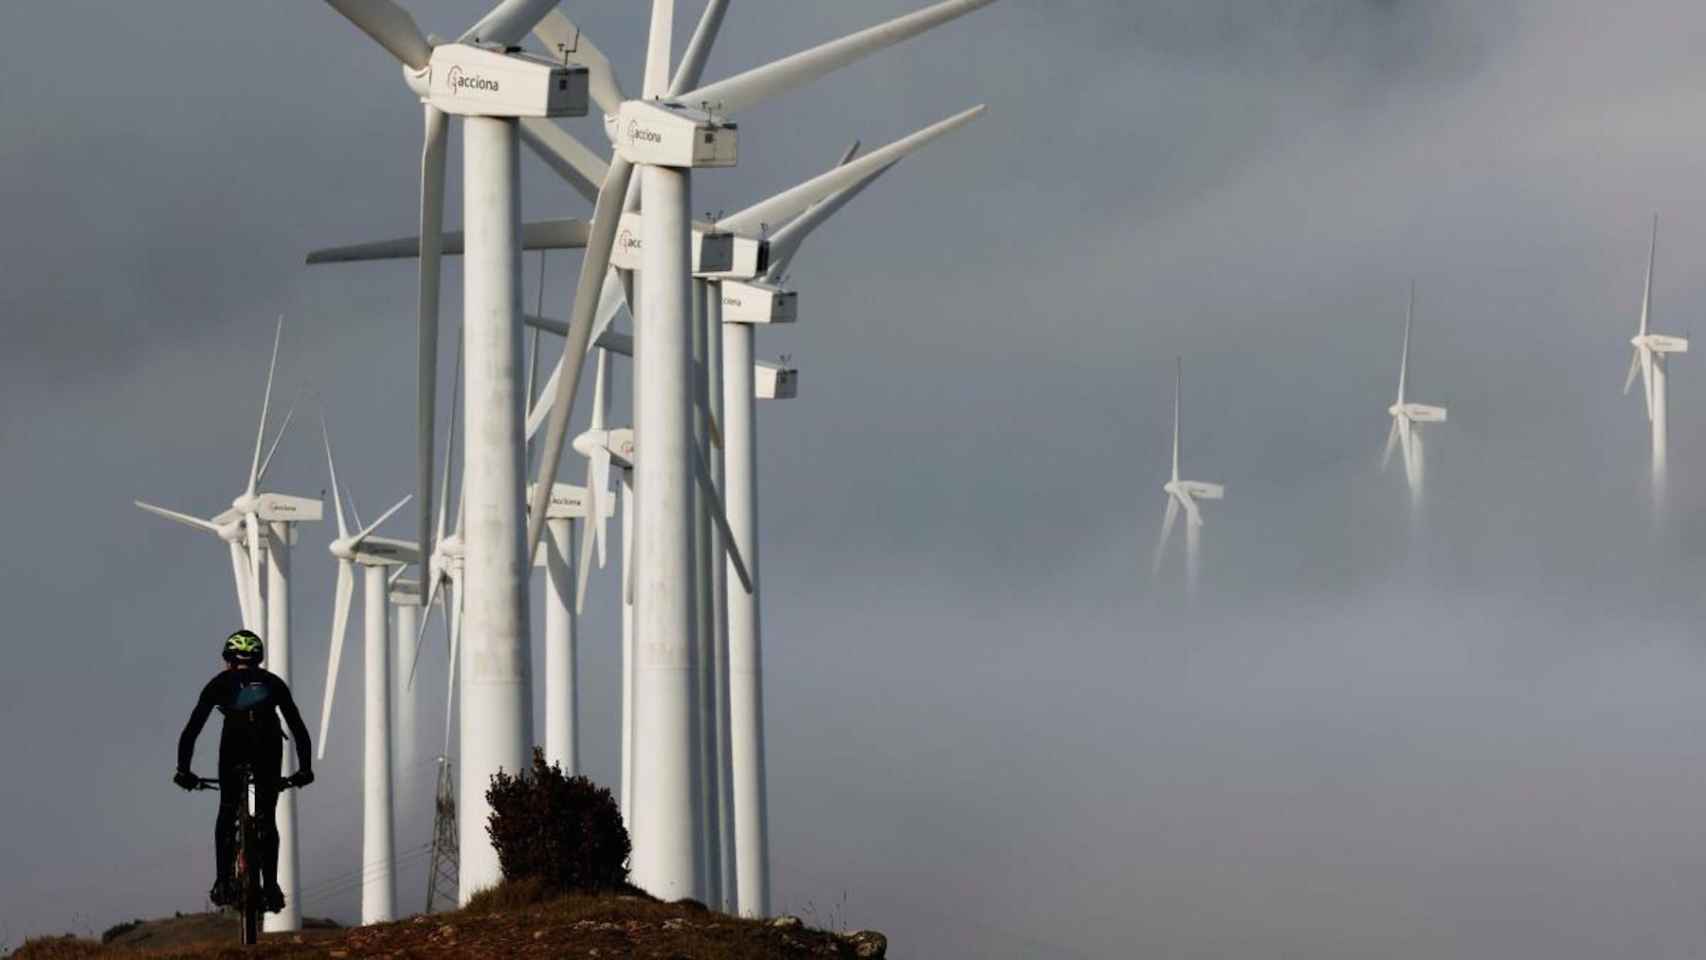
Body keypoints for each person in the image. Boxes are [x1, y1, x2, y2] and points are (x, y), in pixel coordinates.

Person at [174, 629, 314, 913]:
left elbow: (191, 730)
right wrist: (305, 769)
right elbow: (298, 729)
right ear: (259, 658)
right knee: (266, 818)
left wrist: (184, 770)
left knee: (227, 810)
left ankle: (224, 882)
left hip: (234, 747)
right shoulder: (273, 683)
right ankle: (271, 888)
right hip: (268, 747)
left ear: (228, 659)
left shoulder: (218, 683)